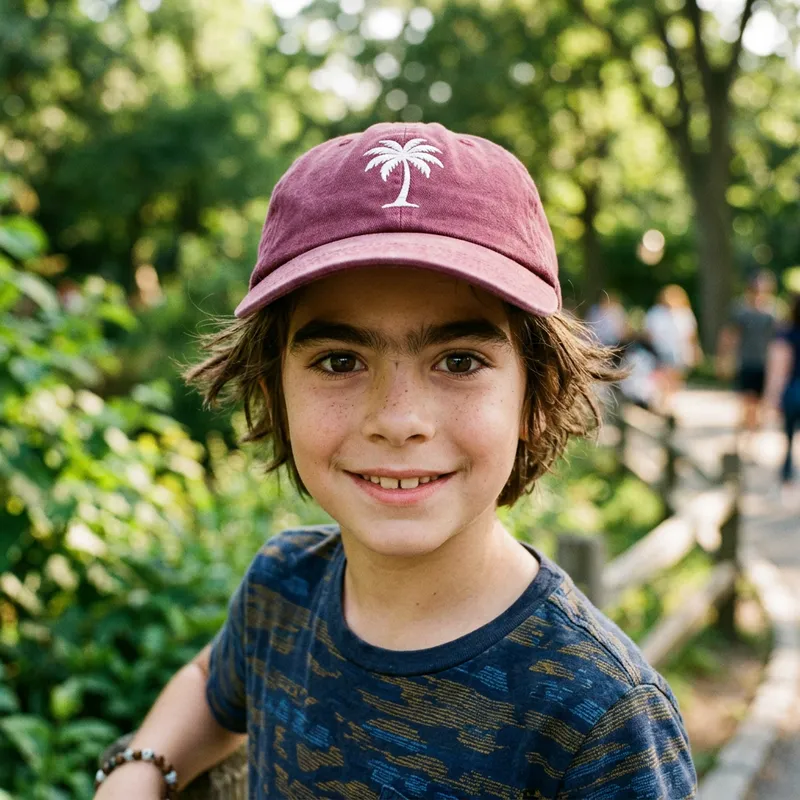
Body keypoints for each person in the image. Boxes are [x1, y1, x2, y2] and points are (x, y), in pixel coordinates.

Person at [93, 123, 696, 799]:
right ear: (275, 394)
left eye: (460, 361)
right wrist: (140, 768)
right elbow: (211, 684)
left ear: (535, 396)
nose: (399, 419)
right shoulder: (282, 590)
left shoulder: (599, 714)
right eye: (340, 361)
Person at [717, 270, 779, 436]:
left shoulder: (773, 310)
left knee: (759, 406)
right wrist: (723, 358)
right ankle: (744, 436)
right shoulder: (740, 309)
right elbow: (730, 335)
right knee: (747, 403)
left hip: (765, 363)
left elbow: (778, 339)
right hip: (746, 361)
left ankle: (750, 436)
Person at [763, 294, 800, 489]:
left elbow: (778, 370)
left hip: (793, 391)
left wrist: (772, 397)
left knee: (788, 437)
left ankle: (787, 477)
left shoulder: (786, 334)